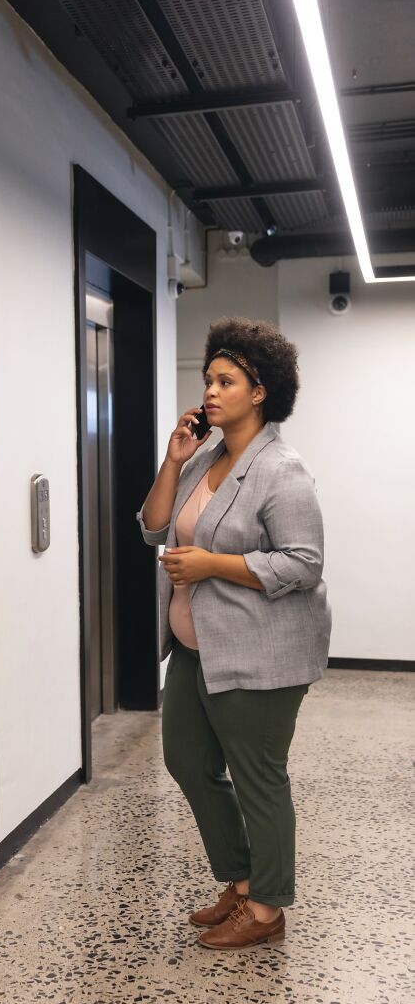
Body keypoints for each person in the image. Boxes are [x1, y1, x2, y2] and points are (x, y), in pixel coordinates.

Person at [137, 317, 331, 950]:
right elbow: (153, 526)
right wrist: (173, 461)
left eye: (226, 381)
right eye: (208, 380)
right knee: (187, 761)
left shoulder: (282, 469)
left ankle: (267, 911)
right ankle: (243, 882)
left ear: (260, 392)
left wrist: (213, 565)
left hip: (260, 653)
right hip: (196, 649)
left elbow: (304, 564)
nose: (210, 391)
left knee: (258, 777)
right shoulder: (205, 459)